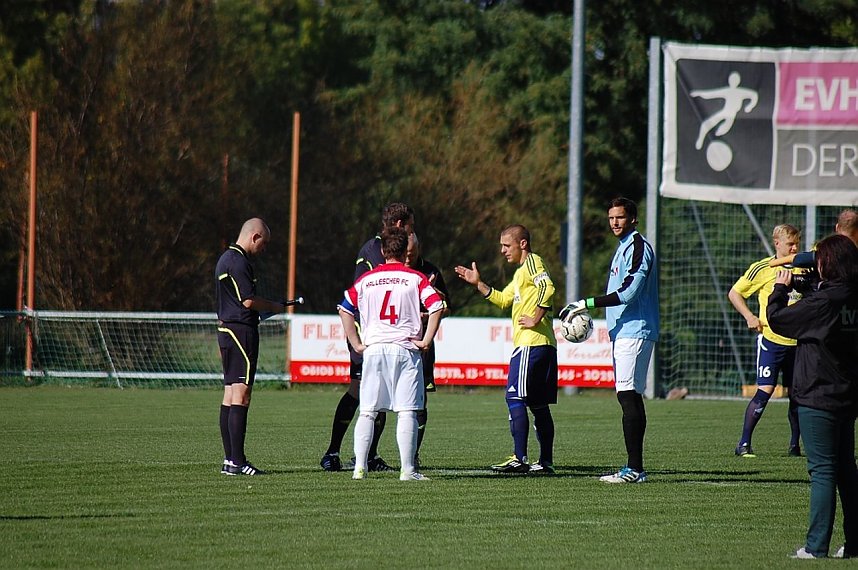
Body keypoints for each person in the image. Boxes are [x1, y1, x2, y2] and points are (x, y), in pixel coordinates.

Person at [767, 234, 858, 559]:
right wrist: (812, 287)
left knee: (822, 470)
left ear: (827, 265)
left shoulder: (822, 303)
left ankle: (816, 545)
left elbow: (779, 320)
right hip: (847, 392)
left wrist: (780, 289)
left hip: (817, 393)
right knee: (847, 470)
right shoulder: (850, 296)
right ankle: (855, 542)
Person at [562, 197, 659, 484]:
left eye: (620, 217)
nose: (615, 222)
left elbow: (629, 292)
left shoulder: (639, 247)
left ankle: (634, 469)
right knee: (630, 396)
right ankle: (636, 468)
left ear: (633, 219)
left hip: (635, 329)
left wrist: (586, 302)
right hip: (624, 331)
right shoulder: (623, 248)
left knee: (627, 396)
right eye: (611, 218)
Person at [338, 226, 445, 481]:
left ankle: (359, 468)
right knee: (407, 411)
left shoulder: (366, 280)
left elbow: (344, 309)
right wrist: (426, 340)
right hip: (405, 349)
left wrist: (356, 343)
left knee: (368, 411)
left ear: (383, 250)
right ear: (405, 250)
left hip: (374, 350)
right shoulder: (415, 278)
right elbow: (437, 306)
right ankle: (408, 470)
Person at [454, 225, 558, 474]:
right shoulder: (521, 273)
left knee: (514, 397)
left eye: (506, 245)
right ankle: (545, 462)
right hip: (544, 345)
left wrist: (535, 318)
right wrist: (478, 284)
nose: (502, 250)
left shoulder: (532, 262)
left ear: (522, 244)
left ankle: (519, 458)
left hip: (530, 344)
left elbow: (548, 287)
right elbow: (502, 299)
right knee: (538, 405)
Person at [321, 203, 415, 472]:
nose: (412, 231)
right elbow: (366, 296)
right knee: (359, 390)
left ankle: (370, 455)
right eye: (410, 225)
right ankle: (333, 452)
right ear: (400, 224)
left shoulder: (382, 248)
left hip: (377, 334)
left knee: (379, 394)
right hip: (367, 333)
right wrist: (358, 341)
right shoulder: (375, 250)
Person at [215, 218, 288, 476]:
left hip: (226, 330)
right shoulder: (239, 262)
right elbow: (247, 301)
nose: (263, 249)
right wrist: (274, 306)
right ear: (254, 237)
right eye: (263, 243)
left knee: (230, 394)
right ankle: (238, 461)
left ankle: (230, 460)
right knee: (242, 395)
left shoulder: (224, 259)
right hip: (240, 332)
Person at [728, 224, 804, 458]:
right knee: (765, 390)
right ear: (777, 243)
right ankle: (743, 444)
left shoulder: (804, 268)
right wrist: (750, 316)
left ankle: (795, 446)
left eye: (796, 243)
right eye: (790, 244)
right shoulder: (762, 268)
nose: (794, 248)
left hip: (799, 344)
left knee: (798, 395)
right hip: (771, 341)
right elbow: (735, 293)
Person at [405, 233, 452, 469]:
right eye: (405, 254)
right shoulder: (388, 271)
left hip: (421, 346)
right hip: (392, 343)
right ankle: (369, 455)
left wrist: (428, 313)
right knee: (380, 403)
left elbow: (446, 307)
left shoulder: (431, 271)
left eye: (412, 254)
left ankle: (412, 454)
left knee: (419, 403)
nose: (408, 259)